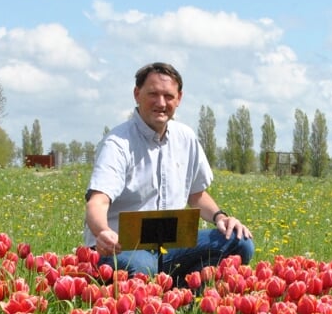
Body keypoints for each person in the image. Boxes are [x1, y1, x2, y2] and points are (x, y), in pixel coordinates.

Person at [84, 62, 254, 287]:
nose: (161, 103)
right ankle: (160, 290)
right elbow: (97, 202)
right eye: (153, 94)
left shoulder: (185, 137)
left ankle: (184, 291)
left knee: (240, 243)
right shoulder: (118, 143)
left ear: (179, 98)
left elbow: (196, 195)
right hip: (124, 245)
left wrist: (221, 217)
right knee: (141, 268)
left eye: (168, 96)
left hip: (170, 244)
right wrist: (102, 232)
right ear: (137, 94)